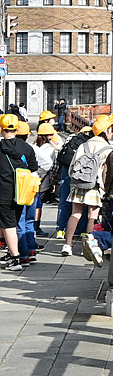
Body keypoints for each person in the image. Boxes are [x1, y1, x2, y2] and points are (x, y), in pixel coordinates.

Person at [62, 116, 113, 257]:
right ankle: (89, 246)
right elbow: (105, 172)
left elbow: (72, 167)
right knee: (92, 216)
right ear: (106, 131)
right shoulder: (108, 148)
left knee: (75, 214)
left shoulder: (83, 145)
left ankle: (67, 245)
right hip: (95, 186)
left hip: (79, 184)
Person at [0, 115, 31, 270]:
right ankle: (13, 254)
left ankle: (15, 259)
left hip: (3, 192)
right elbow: (34, 166)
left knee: (9, 225)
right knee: (14, 222)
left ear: (1, 129)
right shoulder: (25, 146)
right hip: (22, 191)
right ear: (17, 129)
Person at [10, 121, 40, 263]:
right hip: (32, 185)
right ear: (28, 135)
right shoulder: (29, 148)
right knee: (29, 220)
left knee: (19, 221)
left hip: (18, 187)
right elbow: (35, 166)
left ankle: (22, 254)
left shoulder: (10, 149)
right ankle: (31, 250)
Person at [34, 121, 61, 237]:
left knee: (33, 203)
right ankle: (36, 226)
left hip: (32, 177)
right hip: (43, 179)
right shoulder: (50, 148)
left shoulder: (35, 145)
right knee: (38, 204)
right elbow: (53, 165)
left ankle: (32, 226)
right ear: (48, 135)